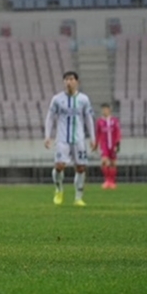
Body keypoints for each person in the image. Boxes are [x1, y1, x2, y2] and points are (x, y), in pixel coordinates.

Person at [44, 71, 96, 207]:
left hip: (79, 139)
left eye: (71, 79)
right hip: (62, 139)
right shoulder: (57, 99)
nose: (68, 82)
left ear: (77, 82)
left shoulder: (84, 99)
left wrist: (93, 137)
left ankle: (78, 198)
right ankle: (59, 189)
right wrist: (47, 135)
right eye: (66, 79)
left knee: (80, 168)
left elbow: (88, 119)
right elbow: (50, 118)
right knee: (59, 166)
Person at [95, 103, 121, 189]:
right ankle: (107, 181)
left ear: (109, 110)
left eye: (106, 109)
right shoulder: (99, 121)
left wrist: (117, 144)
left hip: (113, 144)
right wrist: (96, 144)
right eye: (103, 109)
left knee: (113, 163)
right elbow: (98, 133)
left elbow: (117, 132)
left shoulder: (114, 120)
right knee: (104, 162)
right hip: (104, 145)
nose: (104, 111)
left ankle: (112, 182)